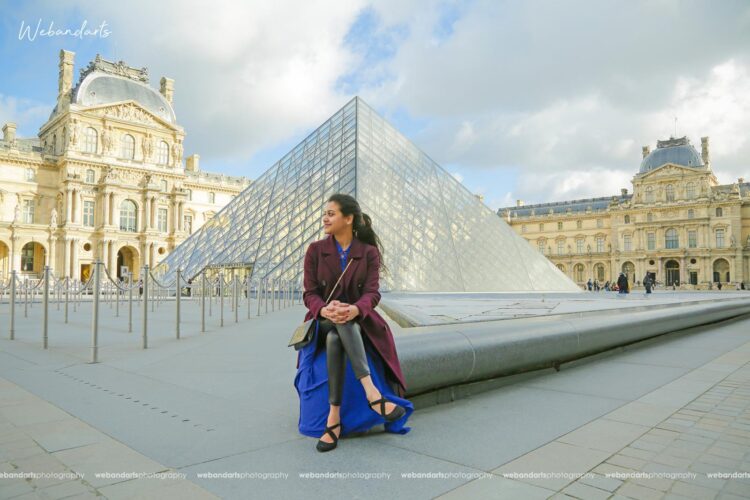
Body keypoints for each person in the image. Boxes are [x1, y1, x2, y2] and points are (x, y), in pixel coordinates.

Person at [295, 193, 413, 452]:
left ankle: (333, 419)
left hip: (356, 321)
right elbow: (309, 293)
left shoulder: (368, 253)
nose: (325, 218)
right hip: (322, 320)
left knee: (339, 335)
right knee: (337, 326)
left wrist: (354, 309)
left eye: (331, 213)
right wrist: (326, 310)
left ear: (348, 219)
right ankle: (372, 393)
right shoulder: (315, 251)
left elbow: (373, 292)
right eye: (324, 213)